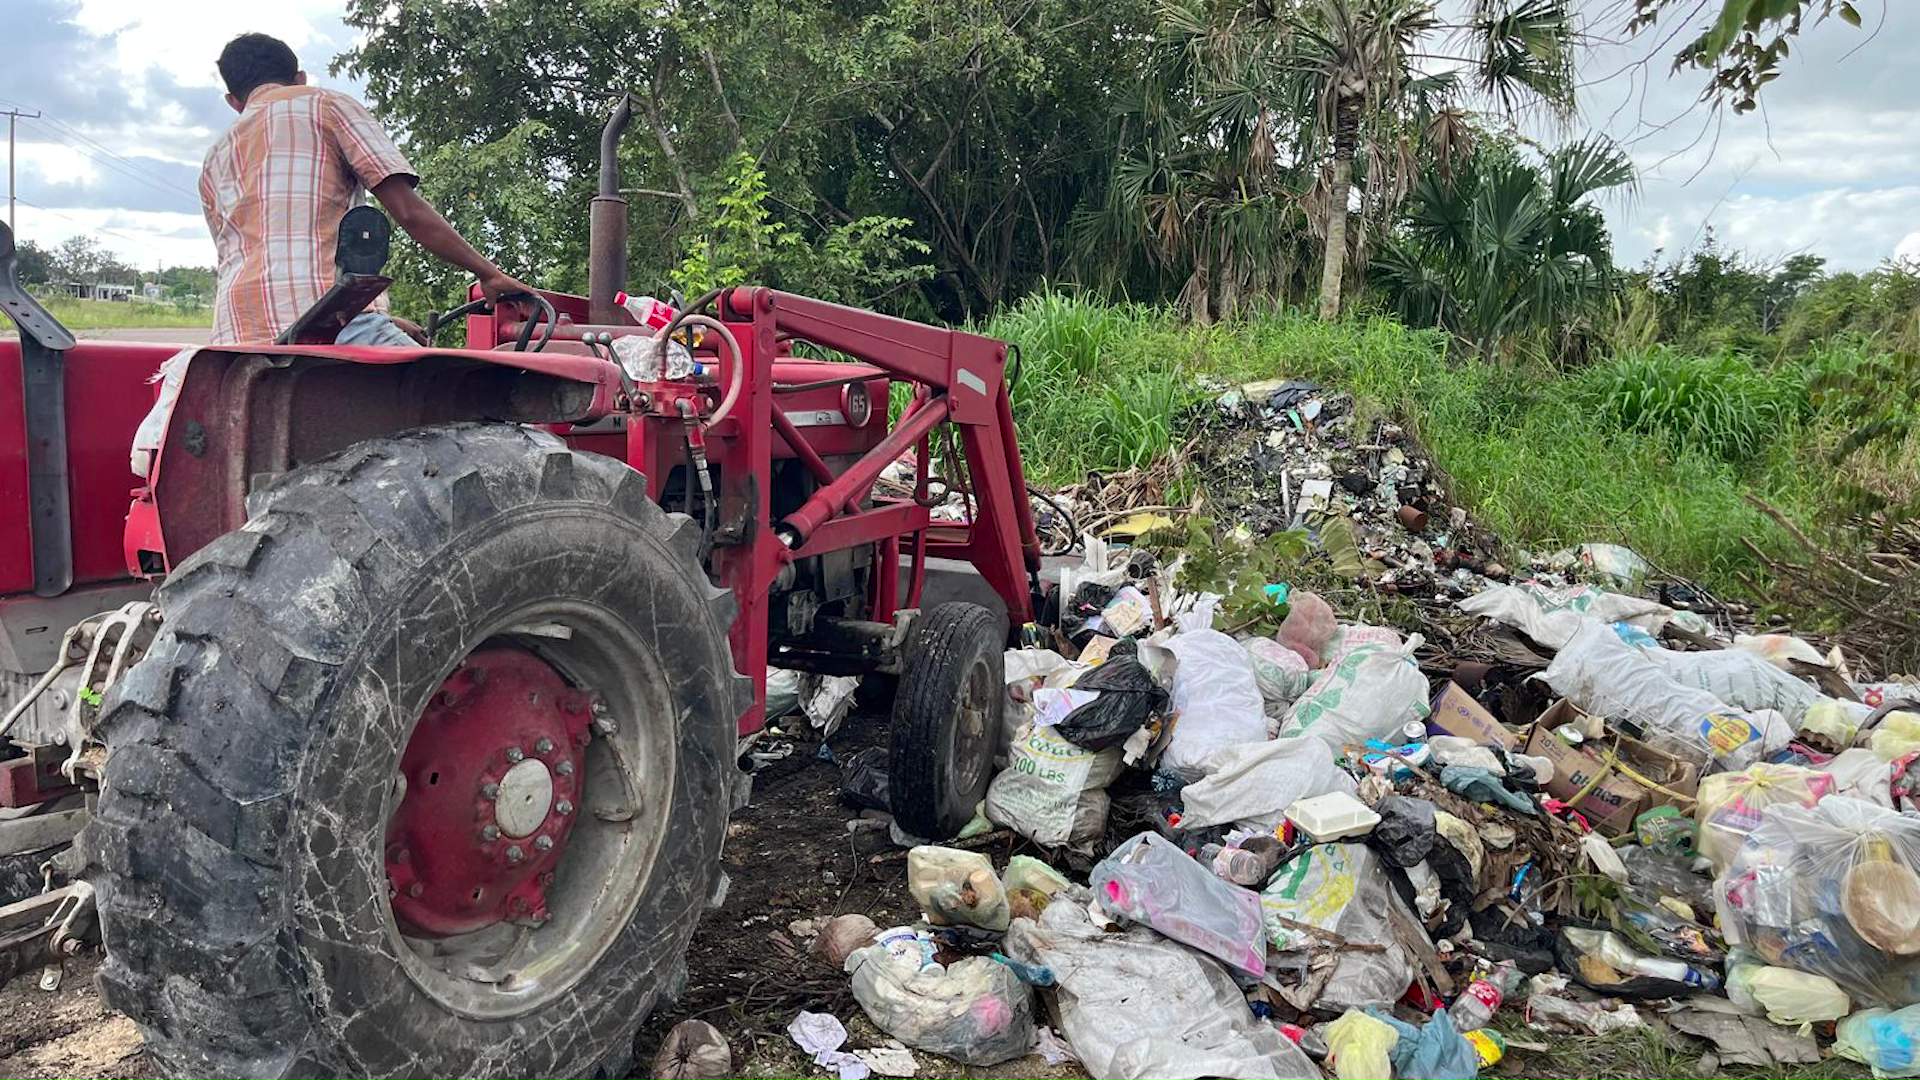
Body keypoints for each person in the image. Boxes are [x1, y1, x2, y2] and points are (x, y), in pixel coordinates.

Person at [200, 32, 533, 345]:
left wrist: (382, 318)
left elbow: (237, 254)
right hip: (325, 324)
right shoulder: (324, 105)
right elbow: (408, 211)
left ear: (233, 101)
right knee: (464, 395)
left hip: (237, 336)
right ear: (299, 78)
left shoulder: (213, 159)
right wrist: (488, 274)